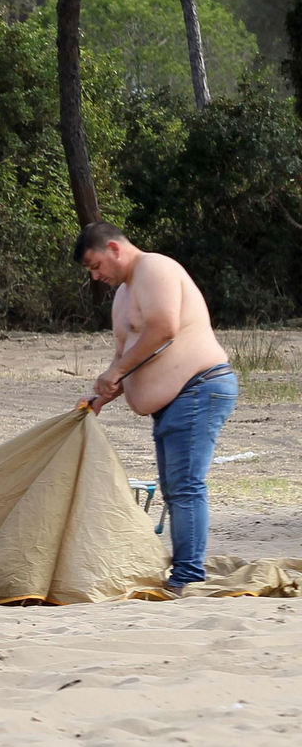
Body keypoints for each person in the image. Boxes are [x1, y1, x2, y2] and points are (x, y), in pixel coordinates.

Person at [73, 221, 237, 595]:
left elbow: (164, 328)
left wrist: (116, 372)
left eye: (96, 265)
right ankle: (186, 569)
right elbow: (124, 358)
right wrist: (100, 398)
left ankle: (188, 575)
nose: (95, 276)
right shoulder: (122, 296)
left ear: (114, 249)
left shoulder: (155, 267)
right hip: (173, 402)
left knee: (184, 485)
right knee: (174, 486)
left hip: (199, 387)